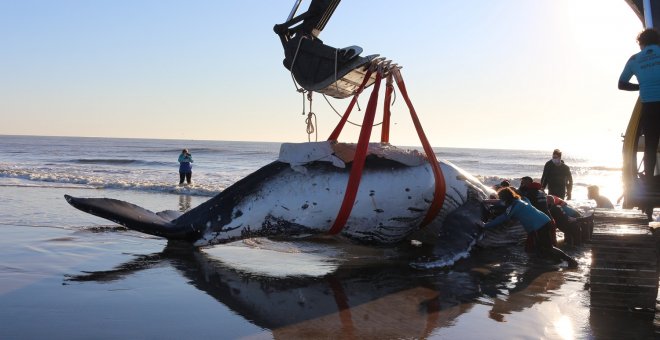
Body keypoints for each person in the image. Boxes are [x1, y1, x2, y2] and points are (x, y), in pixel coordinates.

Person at [483, 187, 578, 268]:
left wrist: (485, 225)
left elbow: (502, 218)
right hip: (545, 221)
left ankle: (570, 261)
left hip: (540, 225)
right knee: (541, 247)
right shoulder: (520, 200)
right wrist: (488, 201)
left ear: (505, 198)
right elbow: (501, 202)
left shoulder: (513, 207)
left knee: (548, 247)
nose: (501, 200)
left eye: (501, 198)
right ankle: (557, 261)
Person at [619, 28, 660, 181]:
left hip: (648, 107)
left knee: (650, 146)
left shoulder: (634, 59)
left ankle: (649, 180)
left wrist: (641, 86)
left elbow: (621, 84)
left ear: (641, 43)